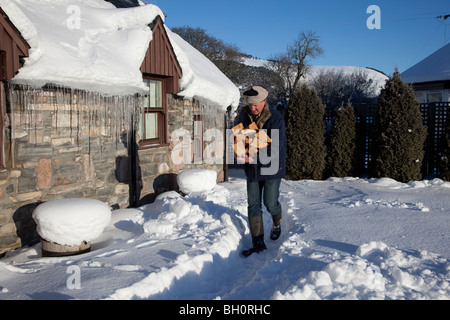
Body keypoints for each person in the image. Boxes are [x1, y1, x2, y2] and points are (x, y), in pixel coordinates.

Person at [236, 86, 287, 257]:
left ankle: (277, 223)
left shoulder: (275, 119)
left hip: (272, 168)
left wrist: (253, 156)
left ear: (264, 101)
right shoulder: (243, 115)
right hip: (252, 169)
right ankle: (258, 241)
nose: (252, 108)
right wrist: (238, 150)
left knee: (270, 203)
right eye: (250, 105)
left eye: (256, 104)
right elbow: (238, 137)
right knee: (253, 204)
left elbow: (275, 148)